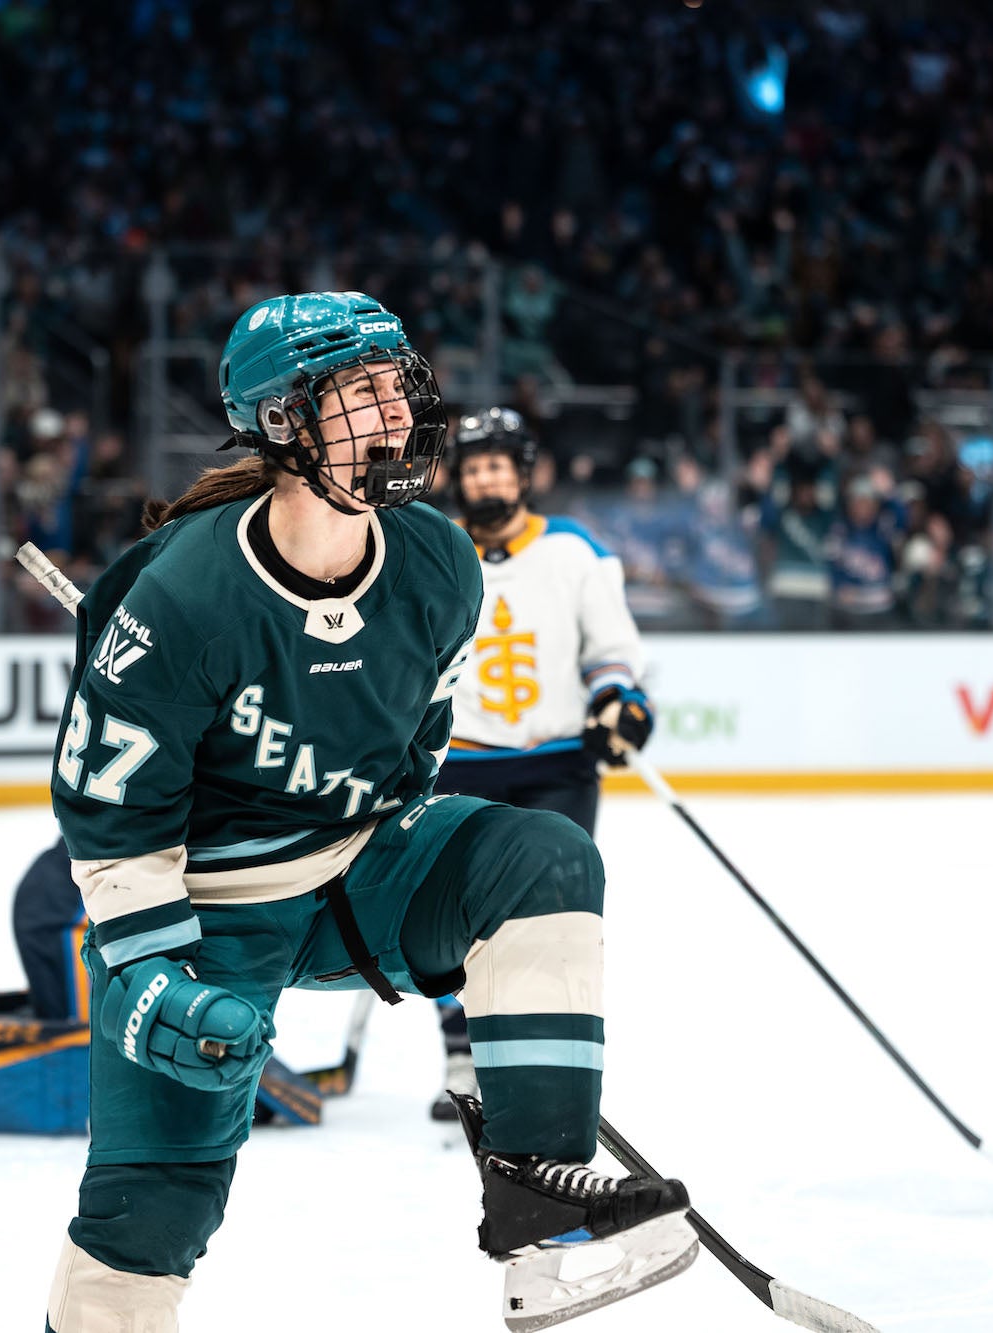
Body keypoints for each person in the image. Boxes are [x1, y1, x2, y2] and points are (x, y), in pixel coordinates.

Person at [43, 293, 693, 1333]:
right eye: (359, 392)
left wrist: (397, 863)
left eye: (399, 383)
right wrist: (150, 975)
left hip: (352, 871)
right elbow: (109, 817)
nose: (396, 412)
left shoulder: (434, 564)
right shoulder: (183, 596)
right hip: (207, 909)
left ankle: (536, 1212)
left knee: (544, 856)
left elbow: (417, 751)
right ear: (282, 423)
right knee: (153, 1206)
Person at [425, 406, 652, 1120]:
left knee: (550, 919)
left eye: (497, 464)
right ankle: (462, 1053)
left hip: (558, 763)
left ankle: (542, 1062)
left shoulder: (574, 550)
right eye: (473, 466)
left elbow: (611, 645)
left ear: (524, 474)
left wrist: (619, 697)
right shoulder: (432, 550)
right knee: (451, 920)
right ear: (457, 478)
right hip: (458, 762)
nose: (485, 477)